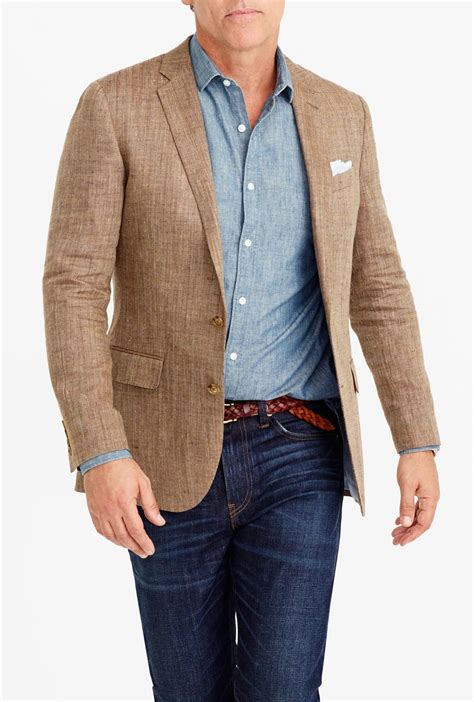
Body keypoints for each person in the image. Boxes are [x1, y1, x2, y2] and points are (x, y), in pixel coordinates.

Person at [42, 1, 441, 699]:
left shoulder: (343, 114)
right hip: (162, 455)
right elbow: (73, 287)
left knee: (285, 690)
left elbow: (376, 283)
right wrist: (100, 451)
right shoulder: (114, 106)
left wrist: (417, 440)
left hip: (301, 448)